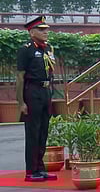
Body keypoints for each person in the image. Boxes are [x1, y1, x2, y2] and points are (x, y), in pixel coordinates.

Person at [16, 16, 57, 182]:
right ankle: (31, 170)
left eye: (46, 29)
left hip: (45, 92)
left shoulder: (47, 49)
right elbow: (20, 77)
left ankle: (40, 168)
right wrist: (21, 102)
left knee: (43, 132)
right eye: (41, 29)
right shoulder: (26, 49)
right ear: (32, 32)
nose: (46, 32)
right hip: (32, 91)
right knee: (33, 132)